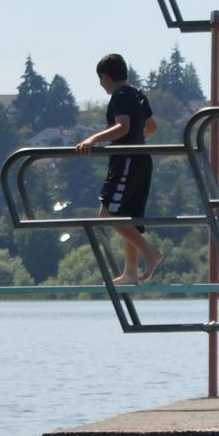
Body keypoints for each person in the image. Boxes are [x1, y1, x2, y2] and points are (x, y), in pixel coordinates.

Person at [74, 52, 161, 282]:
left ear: (105, 78)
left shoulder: (120, 96)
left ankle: (150, 253)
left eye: (100, 80)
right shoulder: (137, 94)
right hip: (140, 159)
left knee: (108, 213)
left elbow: (122, 127)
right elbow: (151, 126)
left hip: (127, 161)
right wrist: (136, 138)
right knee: (127, 215)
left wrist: (93, 139)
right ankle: (130, 271)